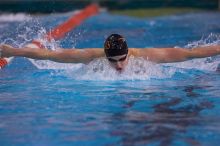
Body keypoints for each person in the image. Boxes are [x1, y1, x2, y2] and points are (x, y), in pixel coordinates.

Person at [0, 34, 220, 72]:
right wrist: (13, 52)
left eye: (122, 59)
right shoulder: (90, 56)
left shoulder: (147, 56)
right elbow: (49, 56)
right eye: (112, 61)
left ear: (128, 53)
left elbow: (191, 54)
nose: (119, 66)